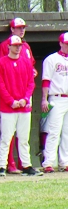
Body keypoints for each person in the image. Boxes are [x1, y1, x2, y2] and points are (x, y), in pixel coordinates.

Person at [0, 35, 43, 177]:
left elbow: (31, 83)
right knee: (6, 137)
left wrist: (25, 99)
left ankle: (26, 165)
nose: (17, 48)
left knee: (23, 138)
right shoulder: (1, 63)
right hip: (8, 107)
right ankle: (1, 166)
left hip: (23, 106)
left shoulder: (26, 62)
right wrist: (11, 101)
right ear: (8, 46)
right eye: (15, 45)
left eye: (19, 45)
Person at [41, 32, 68, 173]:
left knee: (67, 132)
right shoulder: (51, 59)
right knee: (54, 131)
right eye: (66, 44)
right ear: (61, 43)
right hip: (56, 97)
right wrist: (44, 99)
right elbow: (46, 80)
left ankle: (65, 162)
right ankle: (48, 162)